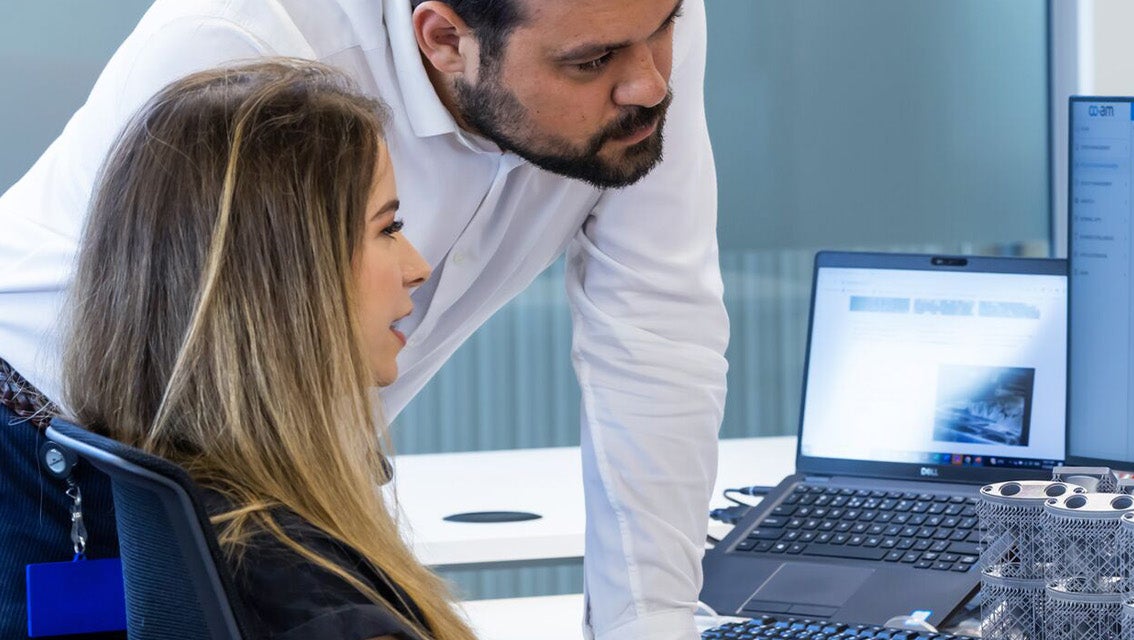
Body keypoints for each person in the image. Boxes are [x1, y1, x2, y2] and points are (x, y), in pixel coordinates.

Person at [0, 0, 727, 637]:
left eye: (667, 26)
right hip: (57, 445)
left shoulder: (629, 24)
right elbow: (183, 360)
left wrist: (653, 625)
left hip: (281, 460)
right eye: (590, 62)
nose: (648, 84)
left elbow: (656, 335)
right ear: (444, 38)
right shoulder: (239, 44)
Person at [62, 59, 462, 640]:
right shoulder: (316, 598)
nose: (418, 268)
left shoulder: (190, 511)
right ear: (280, 278)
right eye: (386, 229)